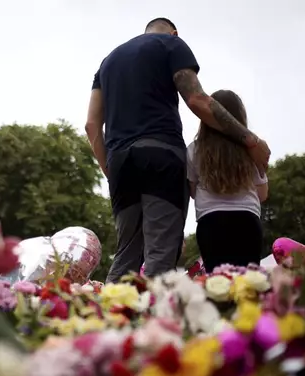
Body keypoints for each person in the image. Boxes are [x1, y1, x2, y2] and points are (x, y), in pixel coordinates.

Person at [85, 17, 271, 282]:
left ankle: (109, 318)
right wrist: (251, 140)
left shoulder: (108, 62)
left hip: (119, 161)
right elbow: (197, 100)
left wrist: (110, 172)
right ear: (174, 32)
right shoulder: (171, 44)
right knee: (161, 255)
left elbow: (92, 125)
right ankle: (154, 321)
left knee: (127, 254)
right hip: (161, 157)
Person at [187, 90, 268, 270]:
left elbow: (192, 191)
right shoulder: (253, 151)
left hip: (210, 221)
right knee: (248, 285)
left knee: (217, 285)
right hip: (247, 220)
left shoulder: (194, 149)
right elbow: (262, 194)